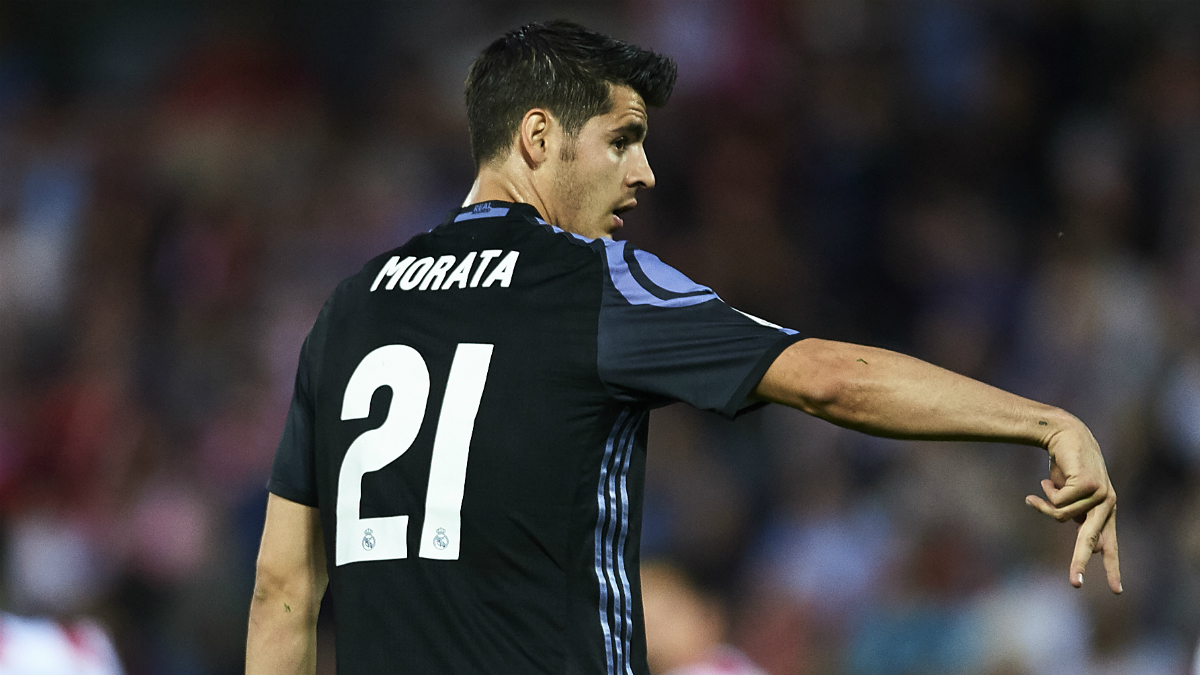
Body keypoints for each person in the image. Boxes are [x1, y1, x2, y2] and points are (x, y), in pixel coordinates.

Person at [246, 19, 1121, 675]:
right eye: (622, 140)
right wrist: (1042, 419)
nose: (645, 172)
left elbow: (283, 589)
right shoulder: (592, 280)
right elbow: (823, 379)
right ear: (539, 137)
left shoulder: (351, 308)